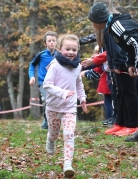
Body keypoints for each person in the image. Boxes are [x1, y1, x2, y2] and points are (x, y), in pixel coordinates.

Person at [87, 0, 138, 142]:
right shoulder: (110, 27)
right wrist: (131, 64)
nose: (92, 24)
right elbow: (129, 47)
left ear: (98, 21)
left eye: (92, 21)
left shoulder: (117, 26)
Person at [81, 0, 138, 136]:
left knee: (128, 94)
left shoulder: (114, 24)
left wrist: (116, 64)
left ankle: (132, 125)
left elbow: (120, 48)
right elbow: (109, 48)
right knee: (118, 95)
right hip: (115, 65)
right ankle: (120, 123)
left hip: (126, 64)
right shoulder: (106, 25)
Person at [43, 34, 87, 178]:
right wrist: (63, 93)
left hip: (70, 107)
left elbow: (78, 83)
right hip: (53, 107)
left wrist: (82, 98)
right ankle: (50, 140)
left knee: (69, 134)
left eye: (74, 50)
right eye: (67, 49)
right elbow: (47, 85)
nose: (71, 52)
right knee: (55, 133)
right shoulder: (55, 66)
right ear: (60, 49)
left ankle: (68, 164)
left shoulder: (77, 66)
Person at [28, 31, 58, 129]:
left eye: (54, 40)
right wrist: (32, 76)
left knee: (55, 102)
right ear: (45, 43)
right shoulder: (41, 55)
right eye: (49, 41)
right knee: (46, 101)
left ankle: (54, 120)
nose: (52, 42)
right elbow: (32, 65)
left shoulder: (60, 55)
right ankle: (47, 120)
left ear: (57, 42)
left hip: (57, 83)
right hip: (43, 83)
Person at [80, 45, 112, 125]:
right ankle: (109, 119)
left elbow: (96, 72)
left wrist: (85, 73)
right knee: (108, 102)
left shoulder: (102, 60)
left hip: (107, 82)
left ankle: (110, 119)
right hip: (106, 82)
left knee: (109, 102)